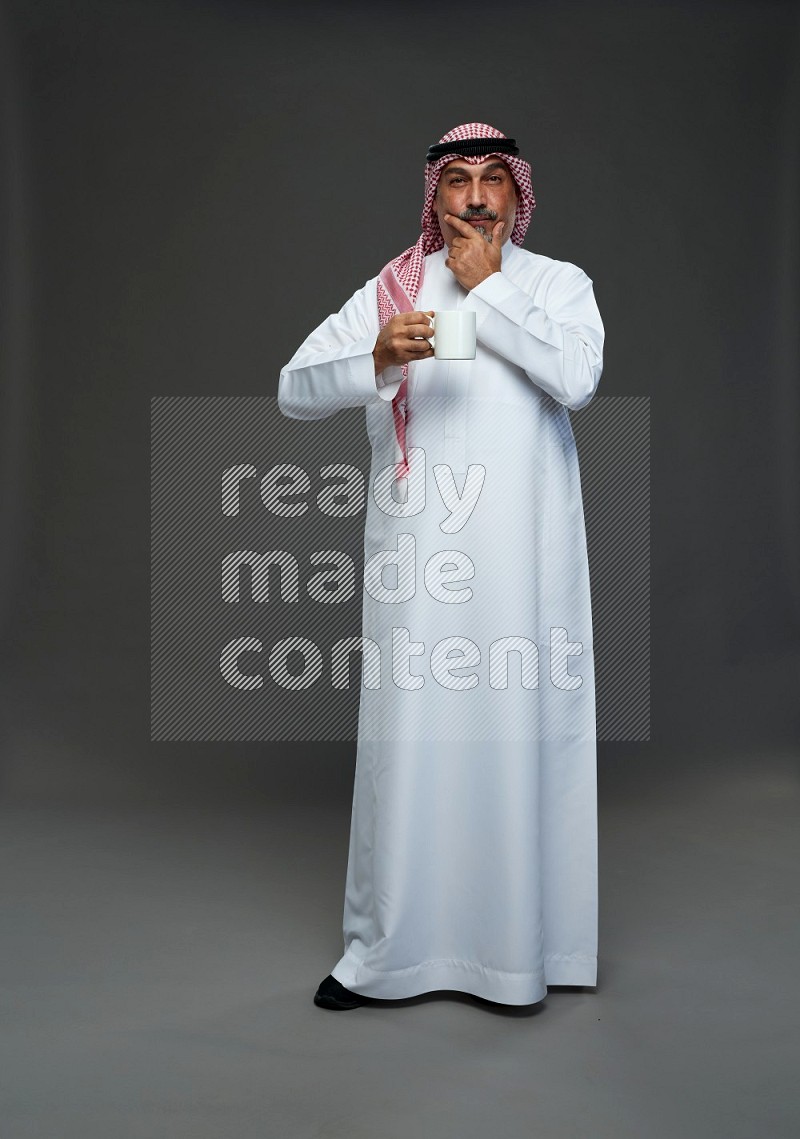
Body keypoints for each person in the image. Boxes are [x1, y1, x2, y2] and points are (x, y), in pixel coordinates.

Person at [278, 122, 604, 1011]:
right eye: (458, 178)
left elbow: (575, 379)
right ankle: (389, 954)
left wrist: (489, 289)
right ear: (435, 193)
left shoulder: (555, 286)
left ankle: (522, 954)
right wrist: (375, 358)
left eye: (493, 179)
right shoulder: (394, 288)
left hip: (522, 570)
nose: (475, 196)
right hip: (420, 571)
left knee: (518, 738)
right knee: (408, 749)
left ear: (516, 195)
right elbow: (293, 387)